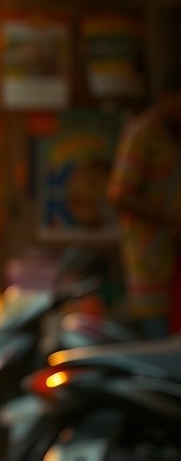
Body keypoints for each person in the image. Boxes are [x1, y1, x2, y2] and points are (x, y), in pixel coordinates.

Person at [107, 68, 181, 339]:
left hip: (173, 256)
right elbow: (119, 194)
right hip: (148, 254)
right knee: (157, 333)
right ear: (169, 98)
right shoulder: (142, 135)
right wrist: (171, 219)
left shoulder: (174, 135)